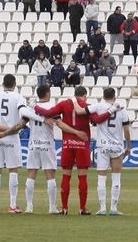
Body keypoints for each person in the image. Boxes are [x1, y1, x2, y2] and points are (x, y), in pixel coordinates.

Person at [0, 85, 84, 214]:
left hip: (33, 144)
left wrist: (5, 133)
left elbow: (20, 124)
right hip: (47, 144)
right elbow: (60, 124)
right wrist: (76, 132)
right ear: (48, 93)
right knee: (50, 175)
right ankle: (52, 207)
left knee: (31, 174)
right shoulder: (52, 107)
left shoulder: (31, 108)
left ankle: (29, 207)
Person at [33, 85, 112, 214]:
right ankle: (82, 208)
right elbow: (96, 120)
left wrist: (34, 106)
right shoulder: (87, 105)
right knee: (82, 176)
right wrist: (110, 111)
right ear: (84, 95)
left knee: (66, 175)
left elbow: (47, 113)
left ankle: (64, 208)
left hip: (67, 144)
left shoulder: (64, 104)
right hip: (82, 144)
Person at [0, 74, 28, 213]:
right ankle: (12, 205)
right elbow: (24, 115)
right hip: (13, 137)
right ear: (14, 85)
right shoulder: (18, 97)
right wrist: (11, 129)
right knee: (13, 170)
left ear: (3, 84)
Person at [85, 88, 130, 215]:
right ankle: (114, 208)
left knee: (101, 177)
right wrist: (128, 146)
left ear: (103, 96)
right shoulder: (122, 110)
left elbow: (86, 111)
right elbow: (126, 130)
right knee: (116, 177)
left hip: (102, 146)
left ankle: (102, 208)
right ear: (114, 96)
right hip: (116, 147)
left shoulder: (99, 106)